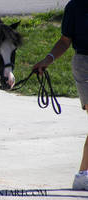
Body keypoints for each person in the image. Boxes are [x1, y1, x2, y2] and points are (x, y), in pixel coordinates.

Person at [33, 0, 88, 190]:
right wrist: (47, 60)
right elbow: (65, 41)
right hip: (84, 64)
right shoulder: (75, 6)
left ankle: (83, 175)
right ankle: (83, 176)